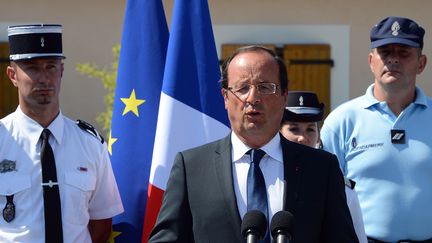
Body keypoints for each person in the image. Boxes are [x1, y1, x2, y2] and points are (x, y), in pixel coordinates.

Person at [149, 45, 358, 243]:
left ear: (285, 96)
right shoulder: (191, 167)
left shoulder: (322, 168)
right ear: (225, 97)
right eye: (242, 88)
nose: (253, 98)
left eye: (265, 87)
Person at [0, 24, 124, 243]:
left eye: (51, 67)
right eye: (32, 67)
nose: (44, 78)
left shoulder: (90, 144)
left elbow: (101, 224)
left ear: (62, 71)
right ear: (12, 75)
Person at [321, 16, 432, 242]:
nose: (393, 60)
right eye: (385, 52)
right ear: (372, 61)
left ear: (421, 64)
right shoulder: (342, 121)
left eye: (404, 52)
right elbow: (323, 194)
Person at [280, 91, 367, 243]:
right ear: (278, 132)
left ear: (319, 137)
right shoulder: (266, 178)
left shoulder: (343, 188)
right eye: (294, 129)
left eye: (310, 129)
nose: (302, 137)